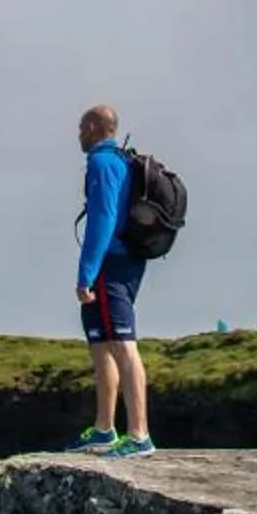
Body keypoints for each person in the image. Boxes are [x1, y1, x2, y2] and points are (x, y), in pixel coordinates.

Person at [66, 103, 154, 458]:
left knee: (122, 343)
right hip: (122, 260)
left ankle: (139, 435)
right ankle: (104, 429)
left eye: (80, 127)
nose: (77, 135)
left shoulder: (103, 163)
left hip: (112, 263)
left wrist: (86, 273)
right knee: (100, 343)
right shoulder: (121, 160)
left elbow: (101, 221)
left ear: (93, 127)